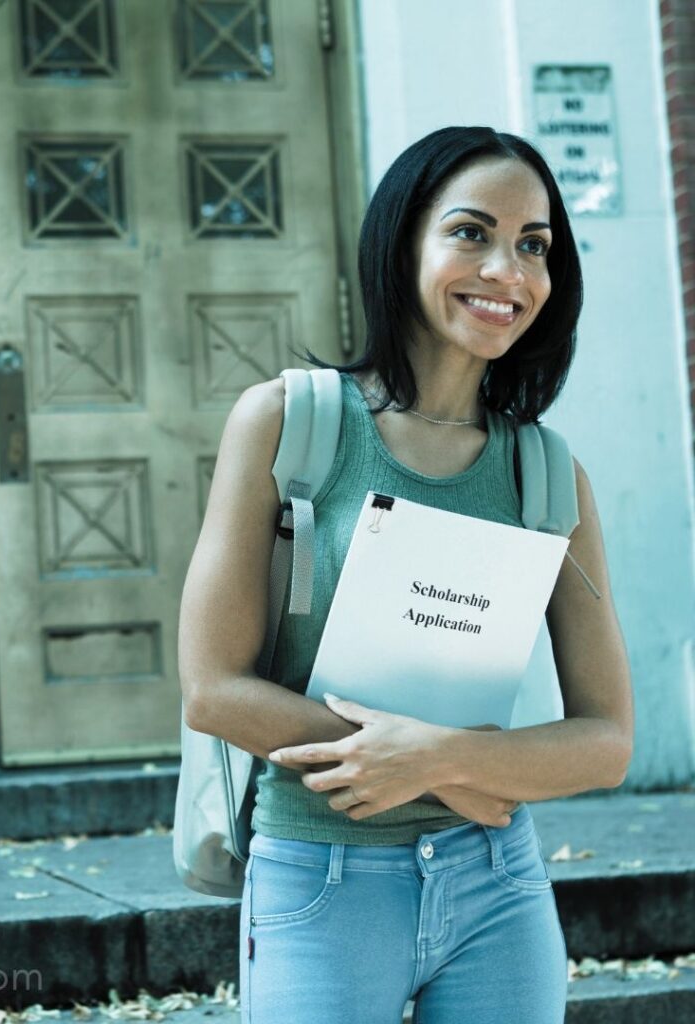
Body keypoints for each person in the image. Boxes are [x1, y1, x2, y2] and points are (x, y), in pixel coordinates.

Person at [177, 126, 633, 1024]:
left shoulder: (546, 473)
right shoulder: (287, 423)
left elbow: (608, 738)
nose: (507, 269)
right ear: (402, 243)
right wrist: (454, 778)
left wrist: (441, 760)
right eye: (471, 232)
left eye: (533, 245)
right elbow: (213, 690)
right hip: (320, 882)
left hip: (499, 888)